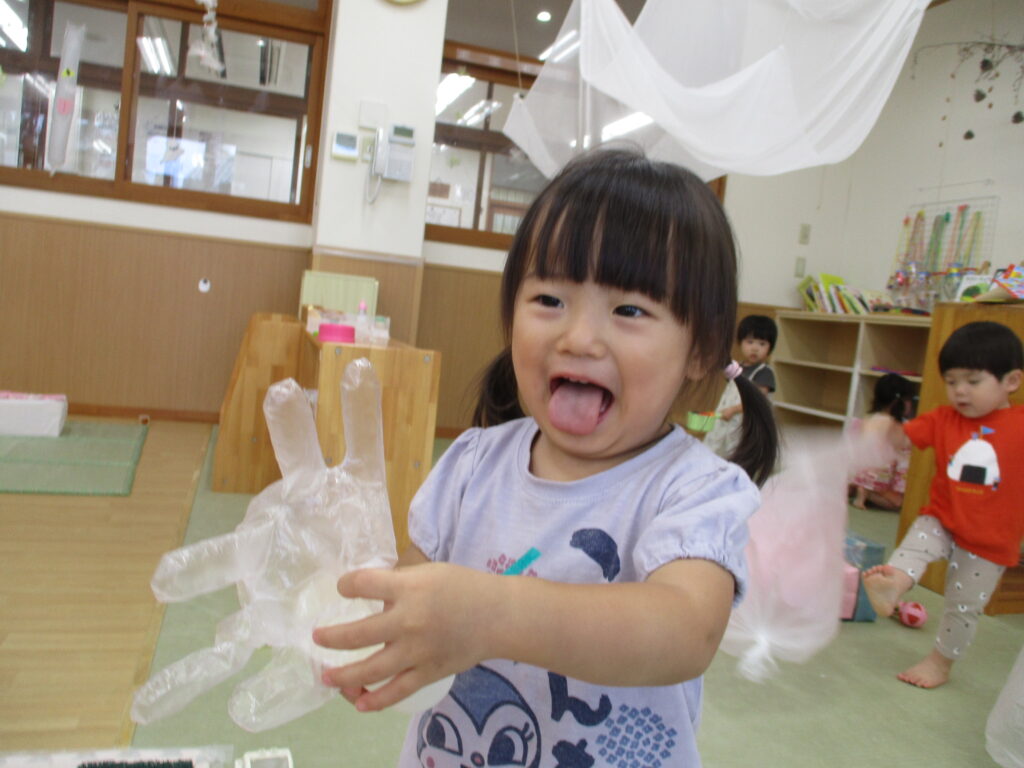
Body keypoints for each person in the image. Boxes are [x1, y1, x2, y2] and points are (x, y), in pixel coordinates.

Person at [313, 148, 778, 767]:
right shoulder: (472, 464)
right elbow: (408, 597)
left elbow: (686, 631)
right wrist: (336, 596)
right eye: (549, 300)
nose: (578, 337)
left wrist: (492, 614)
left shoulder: (694, 490)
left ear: (700, 349)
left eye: (630, 310)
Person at [862, 321, 1024, 689]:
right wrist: (882, 426)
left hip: (990, 542)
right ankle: (895, 582)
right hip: (943, 518)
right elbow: (903, 438)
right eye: (951, 382)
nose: (959, 391)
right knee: (918, 542)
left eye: (973, 381)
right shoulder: (944, 418)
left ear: (1011, 381)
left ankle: (940, 663)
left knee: (962, 607)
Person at [703, 314, 777, 458]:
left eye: (762, 344)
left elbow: (757, 400)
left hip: (745, 421)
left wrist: (733, 410)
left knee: (739, 450)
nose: (755, 348)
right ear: (740, 343)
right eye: (750, 342)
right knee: (717, 445)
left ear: (770, 348)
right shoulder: (737, 366)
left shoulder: (764, 372)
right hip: (726, 417)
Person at [849, 373, 916, 510]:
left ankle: (858, 487)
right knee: (900, 503)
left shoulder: (865, 420)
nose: (911, 405)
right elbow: (902, 459)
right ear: (898, 402)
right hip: (878, 478)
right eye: (909, 400)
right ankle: (868, 492)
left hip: (859, 472)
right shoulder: (896, 426)